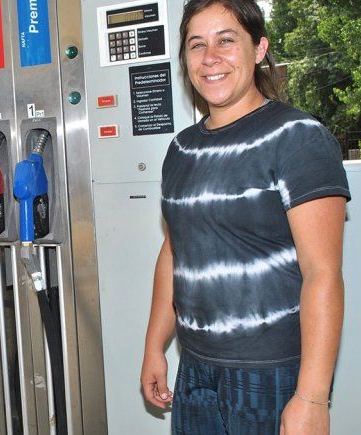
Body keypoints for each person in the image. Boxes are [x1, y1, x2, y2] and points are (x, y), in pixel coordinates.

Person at [140, 1, 350, 434]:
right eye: (196, 45)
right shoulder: (181, 149)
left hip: (270, 373)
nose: (210, 58)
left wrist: (312, 397)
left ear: (259, 49)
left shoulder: (297, 138)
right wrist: (155, 345)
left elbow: (323, 273)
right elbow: (175, 252)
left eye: (226, 41)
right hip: (196, 368)